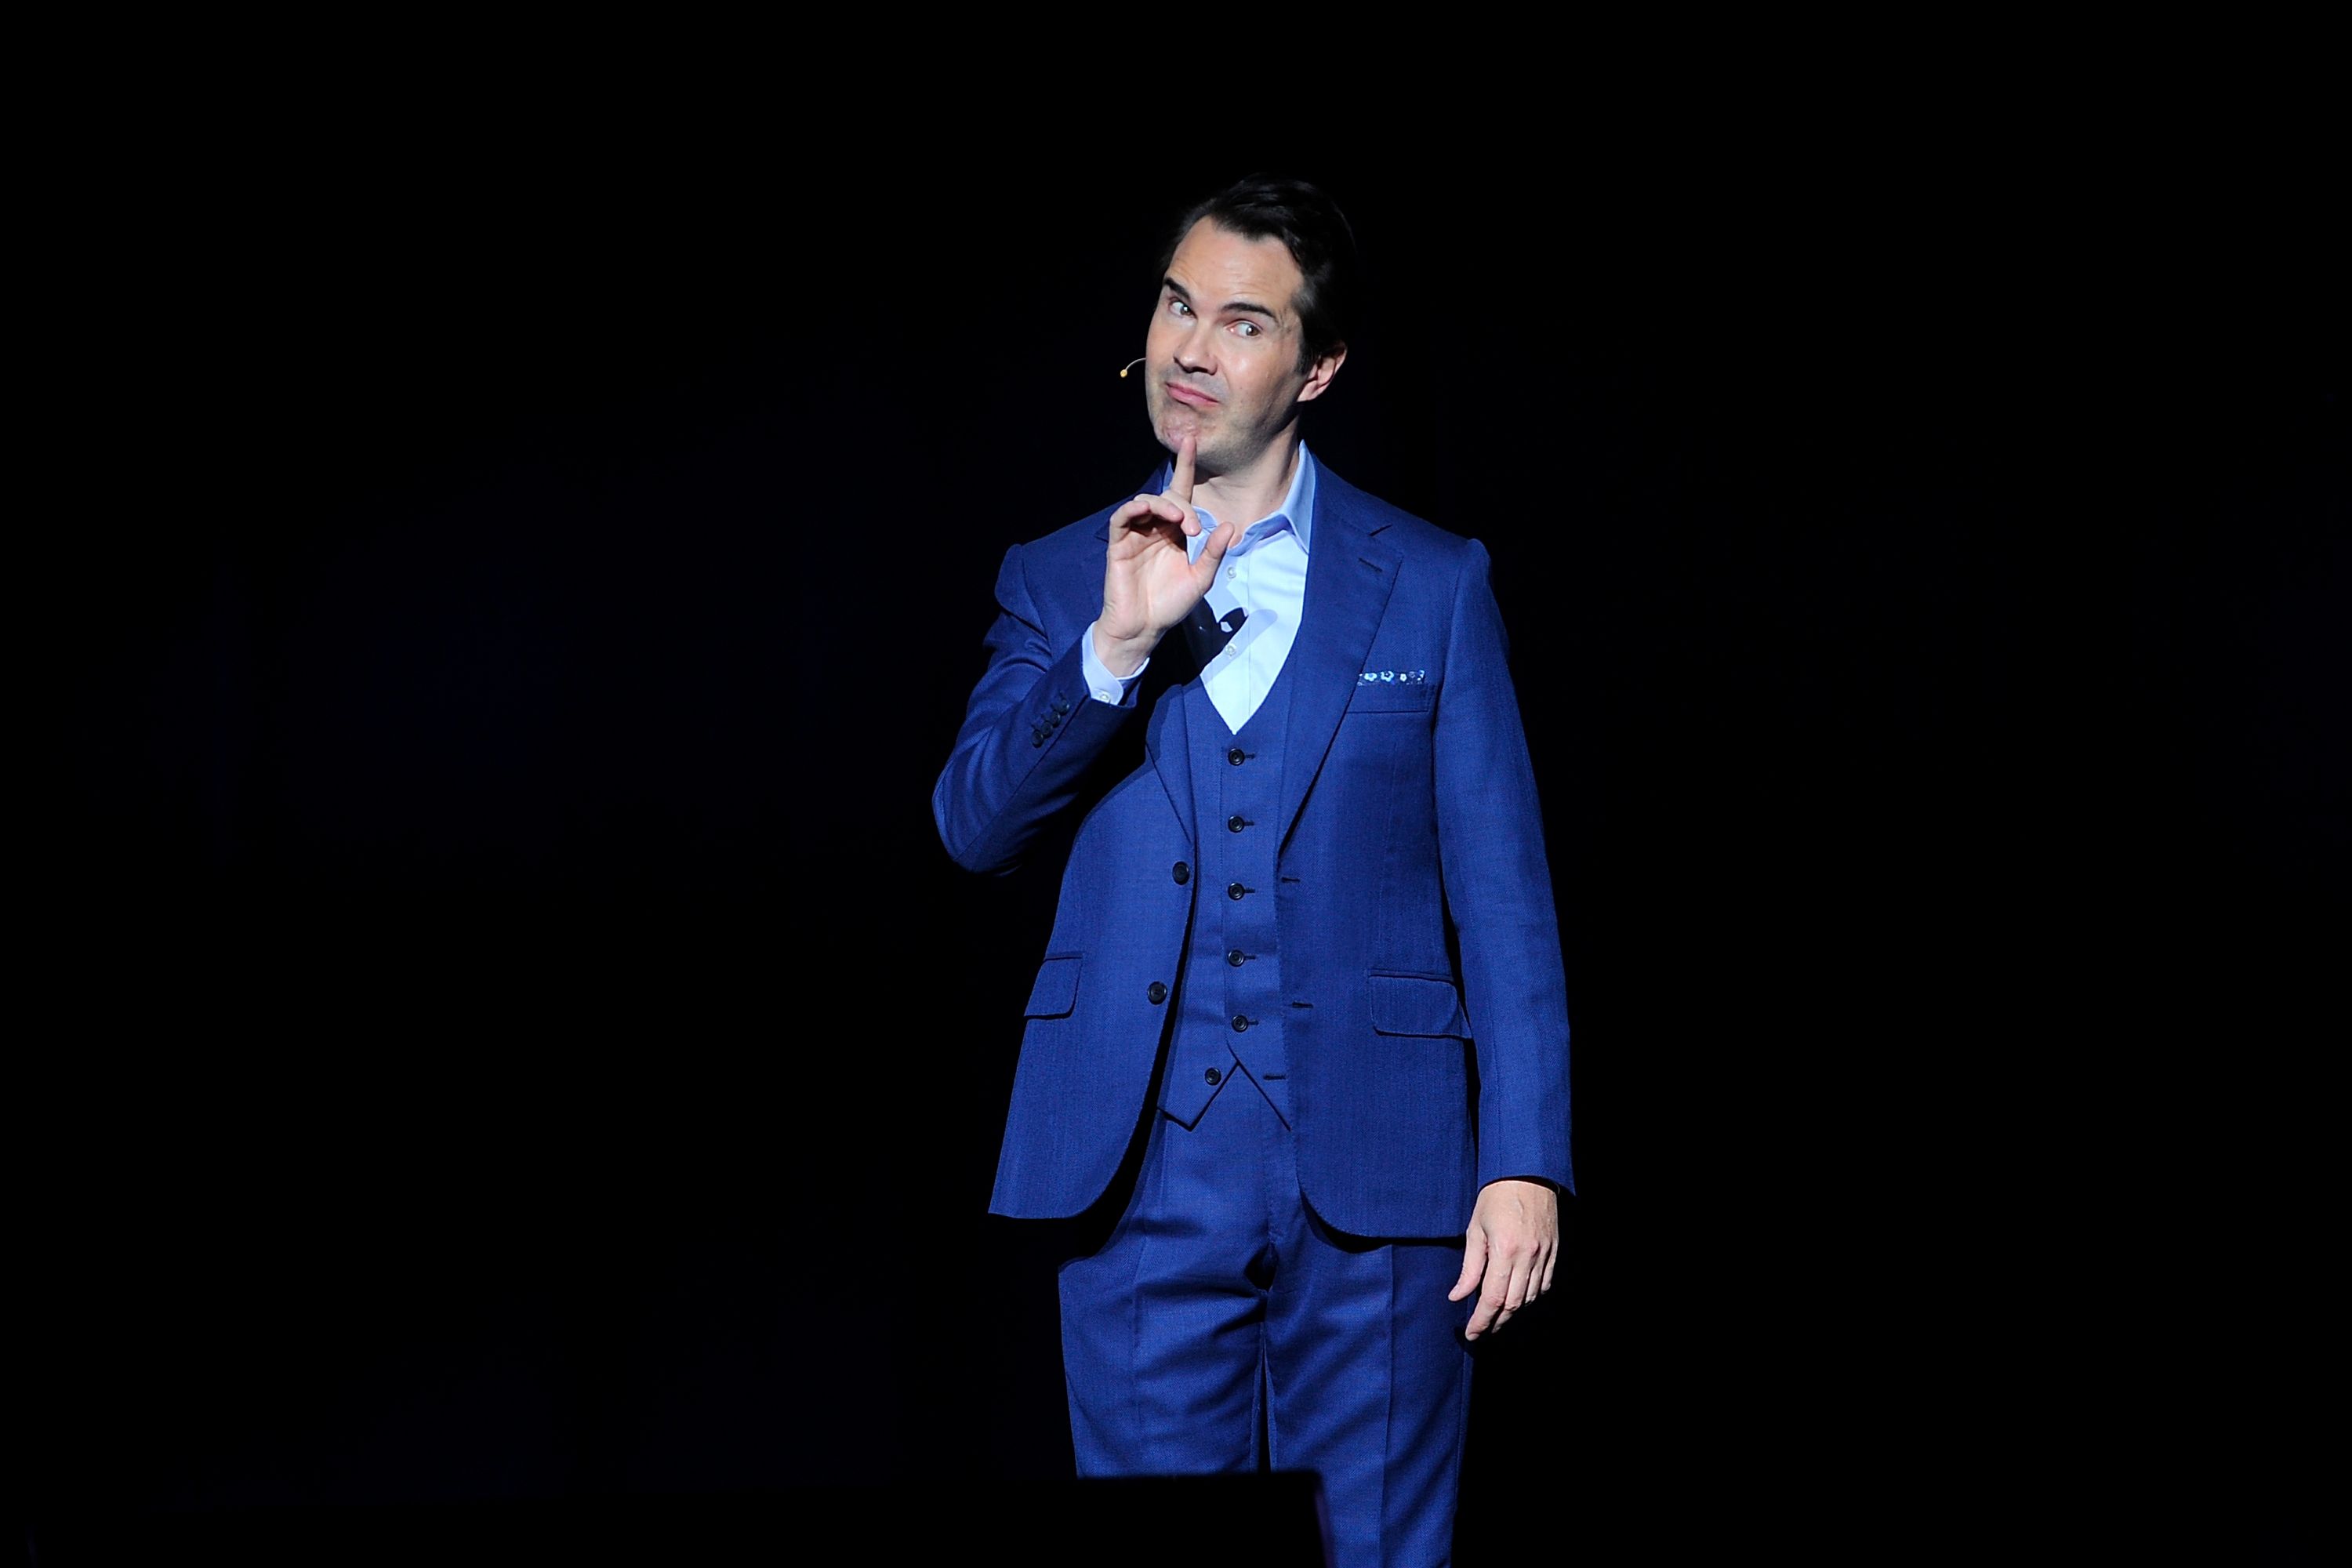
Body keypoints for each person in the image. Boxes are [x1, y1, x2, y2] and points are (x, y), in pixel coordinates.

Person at [931, 174, 1572, 1566]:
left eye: (1242, 321)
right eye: (1177, 306)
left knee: (1382, 1551)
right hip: (1136, 1175)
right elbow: (972, 828)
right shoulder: (1058, 578)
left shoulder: (1432, 583)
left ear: (1318, 367)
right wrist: (1111, 650)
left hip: (1386, 1170)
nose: (1191, 348)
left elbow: (1504, 900)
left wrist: (1524, 1161)